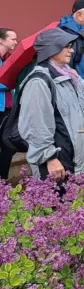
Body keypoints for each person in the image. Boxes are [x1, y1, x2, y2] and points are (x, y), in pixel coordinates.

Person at [16, 29, 84, 180]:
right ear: (52, 49)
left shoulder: (69, 75)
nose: (71, 50)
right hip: (57, 164)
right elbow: (35, 125)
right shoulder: (39, 82)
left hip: (73, 162)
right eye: (66, 46)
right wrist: (49, 158)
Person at [0, 28, 18, 179]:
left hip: (7, 109)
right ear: (1, 40)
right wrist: (10, 83)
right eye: (12, 39)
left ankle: (3, 180)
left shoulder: (8, 59)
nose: (15, 42)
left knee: (8, 145)